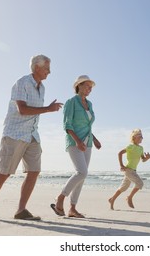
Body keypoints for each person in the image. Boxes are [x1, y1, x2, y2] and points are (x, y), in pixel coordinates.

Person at [0, 54, 63, 221]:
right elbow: (22, 110)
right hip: (15, 133)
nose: (49, 72)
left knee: (34, 171)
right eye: (47, 68)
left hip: (32, 135)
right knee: (5, 172)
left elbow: (34, 111)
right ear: (37, 67)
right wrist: (48, 109)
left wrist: (47, 109)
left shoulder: (42, 88)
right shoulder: (22, 82)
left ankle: (21, 210)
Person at [50, 75, 101, 218]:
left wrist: (95, 139)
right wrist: (78, 141)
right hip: (74, 142)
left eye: (91, 87)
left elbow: (88, 125)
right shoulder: (71, 102)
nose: (90, 89)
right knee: (82, 172)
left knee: (82, 177)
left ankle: (72, 208)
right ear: (78, 86)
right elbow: (67, 125)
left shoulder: (89, 104)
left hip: (88, 142)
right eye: (87, 86)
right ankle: (60, 198)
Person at [108, 129, 150, 210]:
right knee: (140, 183)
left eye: (142, 136)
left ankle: (112, 199)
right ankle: (129, 197)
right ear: (134, 137)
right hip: (128, 170)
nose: (142, 138)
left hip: (133, 170)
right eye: (140, 136)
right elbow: (120, 153)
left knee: (123, 188)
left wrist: (147, 158)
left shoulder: (141, 148)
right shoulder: (130, 146)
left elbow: (143, 160)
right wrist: (121, 165)